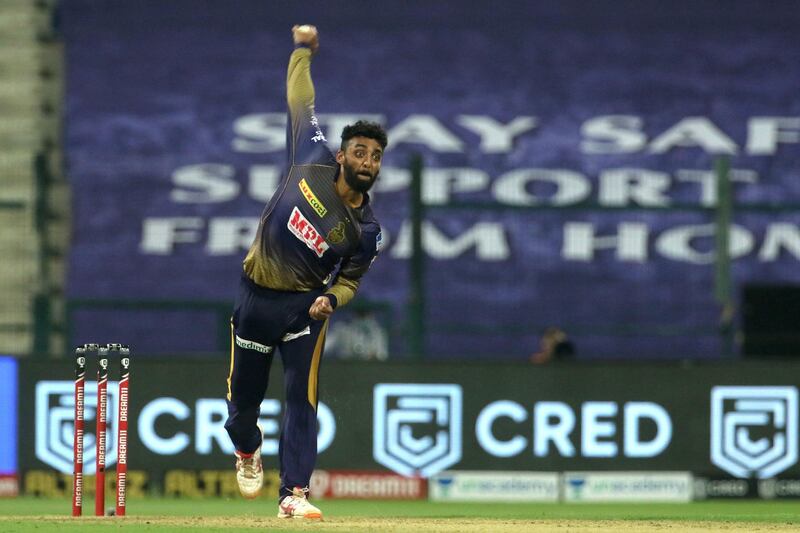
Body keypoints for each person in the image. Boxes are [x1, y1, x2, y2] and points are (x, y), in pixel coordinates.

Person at [223, 24, 387, 520]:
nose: (368, 160)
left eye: (376, 156)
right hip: (257, 297)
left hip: (304, 308)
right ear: (341, 156)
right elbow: (300, 100)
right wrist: (301, 52)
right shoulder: (311, 158)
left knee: (302, 397)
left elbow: (351, 280)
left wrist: (331, 300)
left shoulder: (365, 229)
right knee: (242, 407)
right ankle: (247, 450)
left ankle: (294, 494)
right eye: (360, 151)